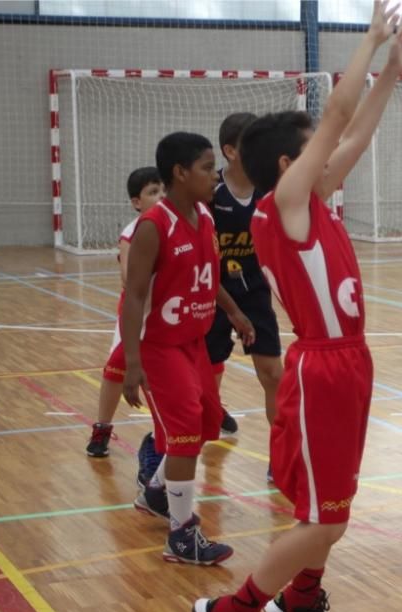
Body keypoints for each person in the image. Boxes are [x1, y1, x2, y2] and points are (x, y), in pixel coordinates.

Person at [191, 4, 402, 612]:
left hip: (350, 363)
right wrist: (370, 42)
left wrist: (394, 73)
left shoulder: (310, 199)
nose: (329, 139)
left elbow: (357, 131)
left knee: (334, 508)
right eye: (315, 137)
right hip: (322, 366)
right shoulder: (287, 205)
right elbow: (341, 116)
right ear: (292, 161)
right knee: (326, 517)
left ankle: (302, 596)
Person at [122, 131, 255, 565]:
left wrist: (234, 312)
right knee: (183, 437)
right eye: (204, 167)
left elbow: (209, 276)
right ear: (180, 173)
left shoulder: (205, 215)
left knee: (207, 424)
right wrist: (132, 363)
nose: (213, 176)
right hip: (160, 347)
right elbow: (135, 296)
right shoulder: (152, 227)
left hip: (194, 342)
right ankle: (181, 535)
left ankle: (156, 491)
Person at [206, 112, 284, 452]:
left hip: (254, 293)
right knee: (204, 380)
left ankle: (282, 454)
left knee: (273, 376)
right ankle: (191, 443)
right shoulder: (209, 191)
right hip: (212, 295)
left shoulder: (271, 190)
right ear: (230, 151)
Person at [85, 166, 162, 458]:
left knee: (165, 372)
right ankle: (102, 427)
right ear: (136, 202)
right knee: (116, 369)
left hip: (165, 315)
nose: (161, 196)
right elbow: (129, 280)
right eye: (153, 192)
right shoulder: (132, 232)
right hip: (136, 313)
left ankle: (165, 434)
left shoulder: (174, 225)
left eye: (163, 190)